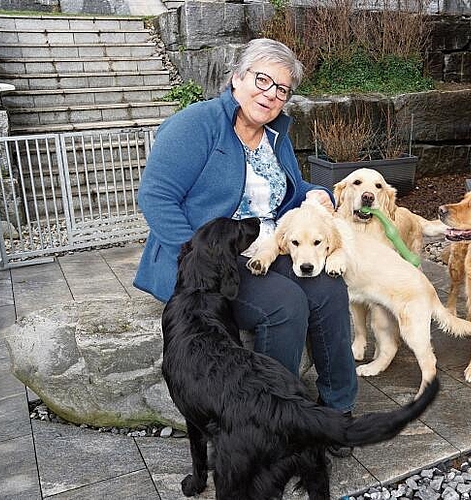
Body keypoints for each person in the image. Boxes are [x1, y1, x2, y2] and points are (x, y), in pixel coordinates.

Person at [133, 38, 358, 453]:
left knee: (328, 287)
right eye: (263, 80)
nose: (271, 94)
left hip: (268, 246)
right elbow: (155, 197)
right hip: (210, 264)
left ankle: (336, 410)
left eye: (283, 89)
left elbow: (285, 193)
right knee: (284, 304)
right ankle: (271, 420)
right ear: (237, 78)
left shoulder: (275, 135)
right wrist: (198, 257)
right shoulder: (197, 125)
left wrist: (314, 193)